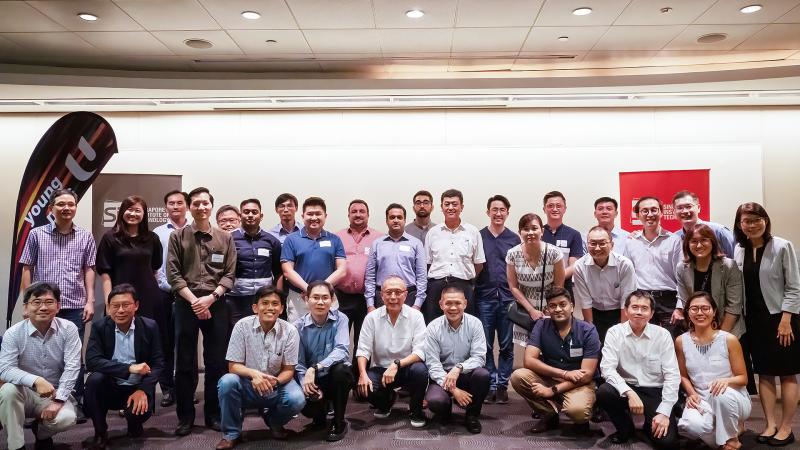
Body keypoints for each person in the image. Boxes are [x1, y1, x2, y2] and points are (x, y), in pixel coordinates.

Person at [19, 188, 96, 422]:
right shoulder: (36, 234)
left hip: (74, 304)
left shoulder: (85, 236)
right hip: (43, 307)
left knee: (73, 356)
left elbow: (89, 269)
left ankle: (75, 400)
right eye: (61, 204)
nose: (66, 208)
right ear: (51, 208)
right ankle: (36, 401)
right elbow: (27, 267)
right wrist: (28, 303)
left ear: (75, 208)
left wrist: (90, 300)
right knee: (37, 355)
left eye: (71, 204)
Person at [167, 187, 236, 436]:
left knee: (216, 362)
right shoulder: (178, 236)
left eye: (205, 203)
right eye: (196, 203)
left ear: (211, 206)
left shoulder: (225, 238)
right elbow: (173, 274)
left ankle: (213, 414)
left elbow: (229, 274)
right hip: (186, 303)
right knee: (185, 362)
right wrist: (195, 301)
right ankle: (185, 417)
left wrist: (211, 298)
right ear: (189, 207)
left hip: (216, 302)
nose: (201, 207)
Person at [733, 202, 800, 446]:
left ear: (765, 220)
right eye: (746, 221)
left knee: (787, 373)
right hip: (753, 320)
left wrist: (786, 319)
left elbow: (794, 286)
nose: (751, 225)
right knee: (765, 373)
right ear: (739, 224)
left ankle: (786, 427)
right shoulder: (739, 249)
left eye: (756, 219)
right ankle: (770, 424)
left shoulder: (782, 246)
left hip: (781, 319)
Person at [216, 286, 305, 449]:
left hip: (275, 384)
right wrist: (254, 375)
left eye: (275, 304)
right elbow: (233, 366)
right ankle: (231, 434)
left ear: (281, 309)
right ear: (255, 307)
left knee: (297, 399)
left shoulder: (290, 331)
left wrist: (274, 382)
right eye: (265, 303)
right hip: (247, 383)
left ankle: (274, 421)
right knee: (227, 382)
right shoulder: (242, 326)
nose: (270, 308)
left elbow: (289, 370)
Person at [0, 282, 80, 450]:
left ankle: (41, 432)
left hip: (55, 392)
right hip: (23, 393)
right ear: (26, 307)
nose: (43, 307)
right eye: (36, 302)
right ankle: (16, 445)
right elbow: (5, 369)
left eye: (49, 302)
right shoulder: (13, 333)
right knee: (8, 391)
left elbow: (72, 367)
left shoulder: (69, 329)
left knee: (66, 418)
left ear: (58, 306)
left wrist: (59, 400)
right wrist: (36, 380)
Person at [84, 284, 165, 449]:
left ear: (136, 305)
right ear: (108, 308)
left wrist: (143, 389)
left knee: (136, 419)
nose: (120, 310)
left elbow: (158, 363)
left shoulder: (150, 326)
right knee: (94, 380)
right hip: (110, 386)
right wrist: (128, 368)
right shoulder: (100, 327)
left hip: (137, 386)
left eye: (126, 305)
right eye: (115, 306)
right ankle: (100, 431)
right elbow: (92, 361)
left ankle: (134, 423)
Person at [510, 288, 600, 434]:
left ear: (572, 306)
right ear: (547, 309)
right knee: (518, 376)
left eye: (563, 304)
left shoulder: (588, 331)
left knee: (578, 412)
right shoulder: (541, 325)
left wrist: (552, 390)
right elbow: (529, 361)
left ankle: (581, 421)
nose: (558, 309)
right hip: (551, 379)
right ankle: (549, 415)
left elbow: (587, 375)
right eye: (553, 306)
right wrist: (564, 374)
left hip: (579, 384)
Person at [597, 290, 680, 448]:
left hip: (654, 390)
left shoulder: (662, 335)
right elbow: (607, 369)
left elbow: (672, 375)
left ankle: (649, 425)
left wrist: (664, 412)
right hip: (626, 387)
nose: (639, 312)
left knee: (667, 443)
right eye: (635, 307)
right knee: (604, 392)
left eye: (644, 308)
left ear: (651, 313)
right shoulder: (615, 332)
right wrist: (629, 392)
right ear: (626, 310)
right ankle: (625, 428)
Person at [676, 292, 751, 450]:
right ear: (688, 312)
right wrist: (692, 394)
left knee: (720, 394)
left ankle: (732, 439)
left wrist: (726, 381)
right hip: (702, 400)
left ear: (714, 311)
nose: (700, 313)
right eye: (694, 309)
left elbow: (743, 378)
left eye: (705, 308)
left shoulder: (729, 339)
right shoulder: (681, 341)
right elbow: (682, 375)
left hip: (732, 398)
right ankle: (730, 431)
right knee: (690, 427)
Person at [356, 276, 429, 428]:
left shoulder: (416, 316)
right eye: (388, 292)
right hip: (381, 370)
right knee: (364, 387)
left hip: (407, 368)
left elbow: (420, 351)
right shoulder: (371, 318)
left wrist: (397, 364)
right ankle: (386, 402)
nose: (393, 297)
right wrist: (362, 374)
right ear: (382, 295)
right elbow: (363, 349)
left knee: (420, 370)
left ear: (405, 294)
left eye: (398, 292)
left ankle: (416, 411)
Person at [293, 281, 353, 442]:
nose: (320, 302)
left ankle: (339, 422)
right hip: (312, 379)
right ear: (306, 299)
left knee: (342, 371)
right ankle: (320, 415)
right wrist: (306, 384)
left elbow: (341, 350)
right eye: (315, 297)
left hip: (333, 376)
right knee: (307, 407)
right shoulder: (297, 327)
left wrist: (315, 367)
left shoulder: (341, 319)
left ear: (332, 300)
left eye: (325, 298)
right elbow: (299, 363)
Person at [424, 285, 488, 433]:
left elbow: (479, 357)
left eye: (458, 303)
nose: (453, 308)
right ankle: (445, 413)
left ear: (465, 303)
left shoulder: (475, 324)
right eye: (448, 303)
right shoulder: (433, 327)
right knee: (436, 401)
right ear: (441, 304)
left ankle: (472, 415)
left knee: (482, 375)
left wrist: (458, 368)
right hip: (442, 377)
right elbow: (433, 365)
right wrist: (454, 390)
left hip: (465, 374)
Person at [474, 195, 519, 403]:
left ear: (507, 213)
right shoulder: (478, 236)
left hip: (508, 299)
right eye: (494, 209)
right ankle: (490, 384)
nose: (498, 213)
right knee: (485, 345)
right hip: (485, 297)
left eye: (502, 210)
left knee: (506, 345)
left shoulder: (514, 238)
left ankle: (502, 385)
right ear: (488, 212)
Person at [622, 196, 683, 336]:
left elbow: (681, 277)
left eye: (654, 210)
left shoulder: (674, 241)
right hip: (642, 299)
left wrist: (680, 307)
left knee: (671, 342)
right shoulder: (631, 242)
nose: (650, 214)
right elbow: (627, 276)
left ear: (661, 213)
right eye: (645, 211)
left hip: (669, 301)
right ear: (638, 215)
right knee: (644, 342)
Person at [281, 196, 347, 322]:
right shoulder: (291, 239)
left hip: (327, 297)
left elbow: (342, 270)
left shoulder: (335, 239)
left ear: (325, 216)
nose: (314, 217)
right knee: (297, 332)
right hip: (299, 298)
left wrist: (320, 290)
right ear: (303, 216)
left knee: (329, 332)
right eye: (310, 214)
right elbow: (287, 271)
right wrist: (308, 290)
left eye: (318, 214)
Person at [97, 195, 163, 320]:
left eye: (137, 210)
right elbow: (105, 274)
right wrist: (108, 302)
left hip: (148, 297)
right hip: (120, 298)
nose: (133, 214)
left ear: (144, 214)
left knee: (148, 330)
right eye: (129, 209)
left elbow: (155, 270)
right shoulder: (110, 238)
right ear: (122, 211)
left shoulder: (152, 238)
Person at [152, 189, 190, 407]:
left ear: (187, 206)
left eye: (179, 203)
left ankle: (186, 389)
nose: (175, 206)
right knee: (165, 343)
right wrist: (168, 286)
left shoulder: (195, 230)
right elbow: (155, 266)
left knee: (186, 343)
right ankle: (167, 389)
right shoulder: (157, 233)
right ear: (166, 207)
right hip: (164, 293)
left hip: (190, 295)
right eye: (171, 203)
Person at [424, 188, 485, 322]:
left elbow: (479, 264)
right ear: (441, 207)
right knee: (434, 325)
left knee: (465, 326)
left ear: (461, 207)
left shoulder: (473, 232)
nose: (450, 208)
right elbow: (427, 263)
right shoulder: (433, 233)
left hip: (464, 286)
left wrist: (467, 282)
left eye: (455, 204)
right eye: (447, 204)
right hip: (436, 287)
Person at [675, 223, 745, 338]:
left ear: (712, 242)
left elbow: (734, 307)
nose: (699, 245)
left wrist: (718, 338)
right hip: (698, 330)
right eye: (694, 241)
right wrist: (699, 334)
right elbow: (686, 304)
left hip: (729, 331)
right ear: (687, 245)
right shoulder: (682, 268)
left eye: (704, 240)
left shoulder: (729, 266)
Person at [335, 199, 383, 368]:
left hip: (367, 298)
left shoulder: (379, 238)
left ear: (368, 215)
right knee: (339, 340)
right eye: (354, 211)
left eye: (362, 211)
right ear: (348, 214)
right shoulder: (337, 237)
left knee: (363, 341)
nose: (358, 214)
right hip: (342, 296)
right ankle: (341, 377)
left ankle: (360, 377)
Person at [506, 213, 565, 345]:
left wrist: (549, 308)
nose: (530, 233)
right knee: (528, 350)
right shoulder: (512, 254)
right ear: (520, 232)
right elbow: (513, 286)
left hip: (550, 309)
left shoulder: (554, 253)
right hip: (525, 311)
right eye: (526, 229)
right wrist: (531, 310)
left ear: (542, 231)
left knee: (551, 347)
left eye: (534, 228)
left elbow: (559, 285)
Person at [573, 226, 636, 343]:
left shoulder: (624, 264)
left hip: (619, 312)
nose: (597, 248)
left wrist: (623, 330)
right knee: (595, 344)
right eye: (593, 243)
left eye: (602, 243)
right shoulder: (579, 266)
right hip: (594, 312)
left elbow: (626, 300)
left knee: (620, 344)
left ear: (612, 245)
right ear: (587, 245)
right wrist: (590, 331)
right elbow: (585, 301)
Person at [227, 199, 282, 330]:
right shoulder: (229, 238)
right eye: (246, 212)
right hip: (236, 299)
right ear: (240, 216)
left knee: (264, 332)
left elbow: (278, 271)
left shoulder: (272, 241)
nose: (250, 215)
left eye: (254, 212)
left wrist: (278, 296)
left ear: (261, 216)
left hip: (264, 299)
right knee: (238, 333)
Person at [364, 203, 426, 311]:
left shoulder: (416, 244)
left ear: (404, 220)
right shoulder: (377, 244)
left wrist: (417, 304)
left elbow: (421, 276)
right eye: (392, 217)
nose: (396, 220)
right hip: (382, 296)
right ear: (387, 221)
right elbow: (370, 276)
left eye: (399, 217)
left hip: (408, 296)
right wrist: (370, 304)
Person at [541, 191, 584, 295]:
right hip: (539, 287)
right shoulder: (537, 233)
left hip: (564, 289)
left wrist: (556, 278)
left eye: (558, 206)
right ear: (544, 209)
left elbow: (574, 265)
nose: (555, 209)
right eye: (550, 206)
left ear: (564, 209)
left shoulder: (574, 234)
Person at [673, 190, 735, 258]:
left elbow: (736, 259)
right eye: (679, 208)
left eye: (688, 206)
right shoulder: (675, 238)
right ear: (674, 212)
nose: (684, 211)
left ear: (698, 208)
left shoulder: (719, 231)